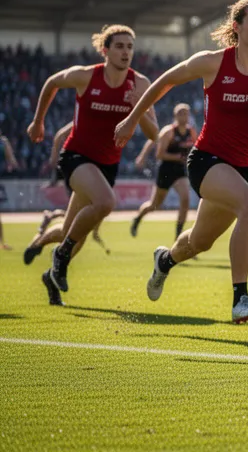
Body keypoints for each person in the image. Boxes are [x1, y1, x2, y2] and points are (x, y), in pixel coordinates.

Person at [114, 0, 248, 323]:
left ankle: (165, 260)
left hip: (243, 170)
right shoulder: (213, 62)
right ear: (237, 27)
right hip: (206, 161)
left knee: (199, 242)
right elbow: (165, 81)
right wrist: (131, 120)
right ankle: (240, 299)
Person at [26, 24, 159, 306]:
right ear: (105, 50)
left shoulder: (140, 84)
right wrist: (38, 121)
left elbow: (153, 134)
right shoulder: (86, 76)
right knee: (106, 202)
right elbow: (51, 82)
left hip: (107, 165)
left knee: (70, 232)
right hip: (76, 156)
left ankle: (50, 272)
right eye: (120, 46)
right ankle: (60, 256)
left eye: (130, 47)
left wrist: (139, 111)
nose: (126, 52)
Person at [24, 122, 111, 267]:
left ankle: (44, 243)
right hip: (81, 172)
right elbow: (59, 136)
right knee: (78, 231)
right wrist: (54, 160)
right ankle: (55, 265)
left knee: (71, 229)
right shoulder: (91, 114)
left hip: (95, 173)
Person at [130, 103, 196, 239]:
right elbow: (159, 154)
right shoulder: (169, 131)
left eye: (186, 113)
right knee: (154, 205)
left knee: (185, 199)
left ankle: (178, 236)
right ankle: (138, 218)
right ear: (175, 116)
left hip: (180, 170)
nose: (184, 116)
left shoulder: (191, 132)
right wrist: (142, 156)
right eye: (181, 113)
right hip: (165, 169)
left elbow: (195, 148)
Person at [0, 134, 18, 250]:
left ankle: (2, 242)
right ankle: (2, 243)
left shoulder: (3, 142)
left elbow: (12, 160)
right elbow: (12, 160)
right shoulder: (3, 141)